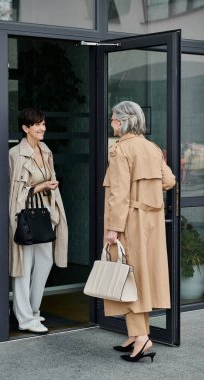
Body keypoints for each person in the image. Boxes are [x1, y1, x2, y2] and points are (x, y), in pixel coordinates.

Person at [103, 101, 175, 362]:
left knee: (128, 278)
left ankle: (142, 339)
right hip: (151, 225)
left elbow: (119, 192)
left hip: (129, 224)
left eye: (113, 119)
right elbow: (169, 180)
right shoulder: (152, 148)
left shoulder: (120, 150)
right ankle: (136, 334)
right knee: (139, 278)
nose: (111, 123)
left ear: (123, 121)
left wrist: (113, 228)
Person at [9, 108, 68, 334]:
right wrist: (41, 186)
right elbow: (15, 192)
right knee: (24, 265)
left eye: (43, 123)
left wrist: (49, 189)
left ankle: (34, 311)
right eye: (37, 125)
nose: (42, 128)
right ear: (26, 128)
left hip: (45, 214)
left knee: (45, 262)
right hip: (24, 215)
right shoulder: (16, 153)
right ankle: (24, 318)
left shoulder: (45, 150)